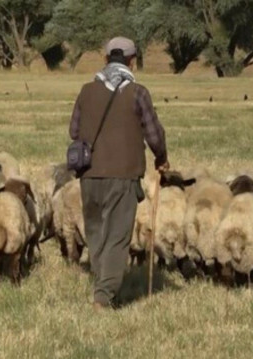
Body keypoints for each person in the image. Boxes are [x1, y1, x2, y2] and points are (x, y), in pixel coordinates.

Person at [69, 36, 169, 310]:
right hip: (123, 176)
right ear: (132, 61)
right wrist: (162, 158)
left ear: (105, 60)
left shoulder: (86, 90)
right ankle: (103, 297)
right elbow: (154, 135)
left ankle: (105, 283)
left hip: (89, 175)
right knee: (117, 236)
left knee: (96, 233)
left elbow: (74, 132)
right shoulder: (138, 93)